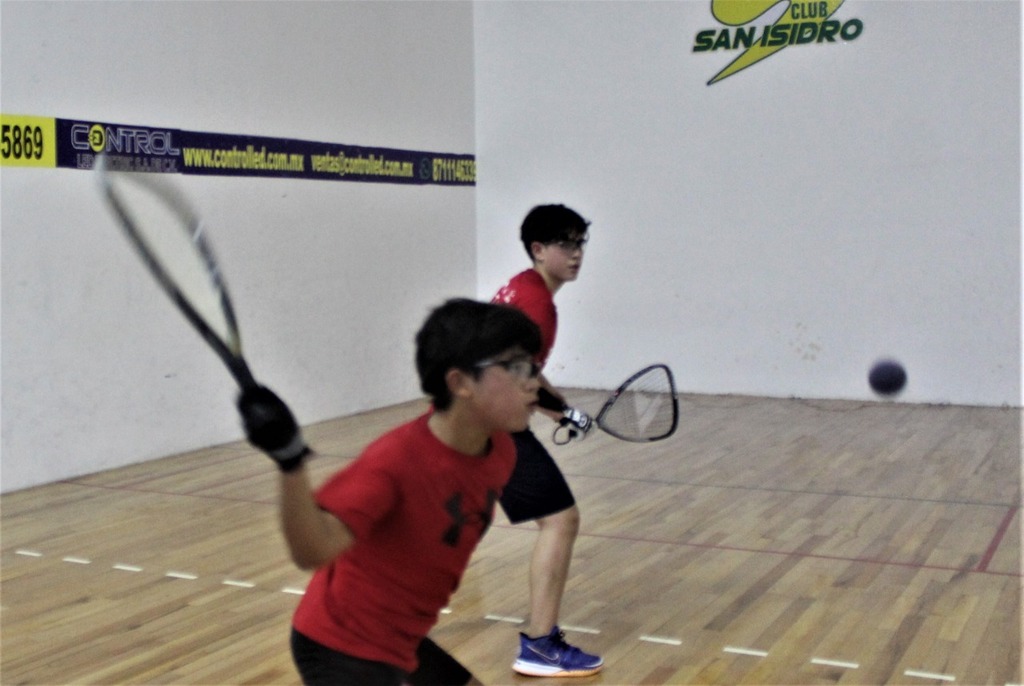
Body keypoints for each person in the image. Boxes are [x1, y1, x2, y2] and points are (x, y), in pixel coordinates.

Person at [237, 298, 543, 686]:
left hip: (402, 638)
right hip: (341, 644)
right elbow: (312, 550)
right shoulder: (395, 462)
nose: (532, 381)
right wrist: (290, 460)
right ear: (459, 383)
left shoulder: (501, 450)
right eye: (515, 367)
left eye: (532, 366)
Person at [491, 204, 604, 678]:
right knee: (560, 520)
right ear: (538, 249)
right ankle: (539, 646)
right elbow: (515, 375)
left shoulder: (522, 287)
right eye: (565, 244)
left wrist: (563, 409)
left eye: (580, 243)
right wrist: (565, 412)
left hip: (463, 417)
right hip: (486, 425)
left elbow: (524, 369)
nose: (577, 253)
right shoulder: (538, 304)